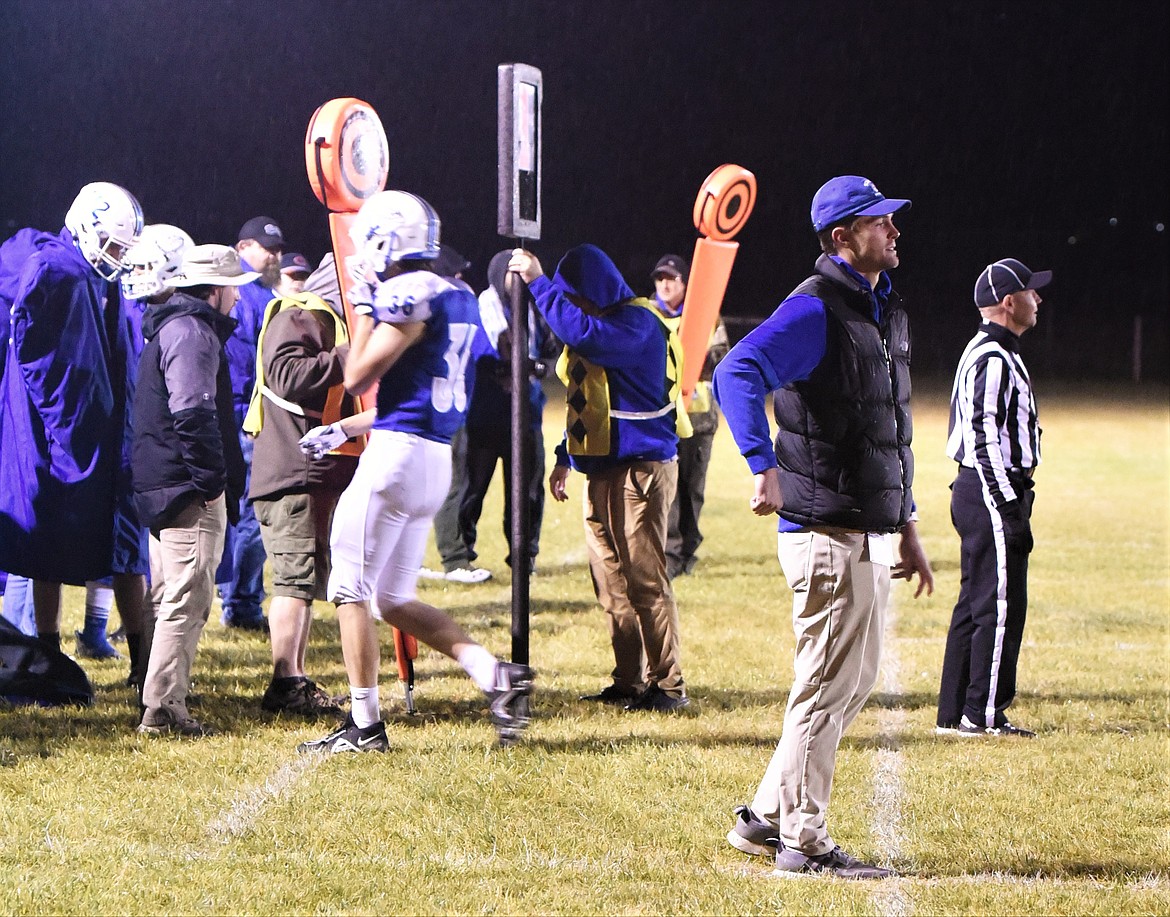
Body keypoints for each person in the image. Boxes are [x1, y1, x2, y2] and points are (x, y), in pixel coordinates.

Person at [712, 175, 933, 879]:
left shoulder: (879, 309)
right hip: (825, 530)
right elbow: (737, 369)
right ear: (842, 238)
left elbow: (884, 429)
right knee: (823, 685)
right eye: (880, 222)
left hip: (864, 525)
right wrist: (759, 462)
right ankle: (803, 841)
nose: (894, 231)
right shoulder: (815, 310)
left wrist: (909, 523)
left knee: (851, 678)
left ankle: (765, 817)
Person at [297, 191, 534, 754]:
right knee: (393, 599)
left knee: (348, 587)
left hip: (397, 460)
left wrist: (362, 305)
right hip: (431, 458)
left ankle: (364, 725)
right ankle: (493, 675)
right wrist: (348, 430)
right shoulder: (457, 296)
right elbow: (417, 395)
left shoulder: (406, 294)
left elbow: (355, 375)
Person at [509, 244, 689, 713]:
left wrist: (538, 282)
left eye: (576, 295)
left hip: (640, 472)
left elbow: (584, 333)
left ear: (596, 289)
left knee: (645, 581)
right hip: (602, 470)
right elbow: (587, 399)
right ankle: (628, 680)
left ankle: (667, 685)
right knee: (610, 584)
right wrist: (565, 456)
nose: (574, 305)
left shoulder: (638, 322)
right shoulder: (609, 325)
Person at [0, 182, 148, 680]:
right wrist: (73, 426)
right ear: (86, 228)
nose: (117, 258)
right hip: (59, 433)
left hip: (95, 431)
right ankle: (47, 650)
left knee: (103, 545)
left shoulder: (92, 275)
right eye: (112, 246)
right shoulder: (54, 269)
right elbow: (42, 360)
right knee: (50, 538)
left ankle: (121, 656)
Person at [132, 244, 252, 736]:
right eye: (233, 290)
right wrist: (209, 483)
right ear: (214, 290)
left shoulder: (172, 326)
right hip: (184, 484)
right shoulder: (192, 332)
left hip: (162, 479)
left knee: (165, 596)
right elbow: (193, 414)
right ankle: (162, 709)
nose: (238, 301)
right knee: (187, 596)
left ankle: (154, 688)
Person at [936, 259, 1050, 739]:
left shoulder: (994, 350)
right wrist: (1007, 505)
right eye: (1031, 292)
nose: (1038, 299)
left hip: (982, 491)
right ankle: (981, 715)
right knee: (1000, 605)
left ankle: (955, 712)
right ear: (1009, 301)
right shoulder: (992, 356)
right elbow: (983, 438)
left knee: (976, 603)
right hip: (990, 491)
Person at [241, 254, 359, 717]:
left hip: (310, 472)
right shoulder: (299, 315)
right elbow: (286, 376)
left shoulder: (318, 317)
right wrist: (348, 355)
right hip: (294, 473)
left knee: (306, 578)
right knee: (293, 579)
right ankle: (285, 683)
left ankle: (294, 677)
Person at [430, 249, 558, 582]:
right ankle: (459, 557)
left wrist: (535, 365)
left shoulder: (532, 309)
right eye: (512, 275)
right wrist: (516, 367)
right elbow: (484, 359)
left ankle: (524, 555)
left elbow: (548, 352)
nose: (518, 282)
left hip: (527, 413)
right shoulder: (479, 307)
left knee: (528, 492)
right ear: (498, 275)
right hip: (484, 417)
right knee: (471, 491)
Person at [217, 216, 286, 632]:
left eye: (278, 248)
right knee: (255, 512)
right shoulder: (245, 292)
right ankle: (241, 603)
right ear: (242, 247)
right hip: (245, 415)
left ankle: (235, 597)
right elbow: (248, 363)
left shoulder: (254, 291)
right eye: (267, 247)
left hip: (236, 413)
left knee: (236, 511)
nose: (275, 254)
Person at [648, 253, 730, 579]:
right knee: (666, 491)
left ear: (686, 283)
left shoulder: (707, 317)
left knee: (692, 489)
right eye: (660, 278)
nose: (665, 284)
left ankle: (688, 551)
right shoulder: (648, 314)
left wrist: (697, 356)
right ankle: (670, 554)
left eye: (672, 278)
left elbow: (723, 358)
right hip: (662, 417)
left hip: (698, 418)